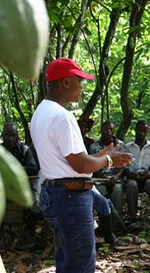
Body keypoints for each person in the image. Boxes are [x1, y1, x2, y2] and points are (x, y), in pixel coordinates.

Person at [30, 57, 132, 273]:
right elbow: (80, 165)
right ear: (66, 82)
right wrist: (110, 160)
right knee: (80, 263)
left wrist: (102, 155)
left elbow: (66, 159)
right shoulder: (61, 116)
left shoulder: (41, 112)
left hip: (55, 193)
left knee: (68, 259)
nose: (82, 86)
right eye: (79, 81)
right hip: (69, 198)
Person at [0, 122, 40, 249]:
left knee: (34, 206)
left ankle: (27, 238)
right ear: (2, 136)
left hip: (22, 188)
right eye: (7, 135)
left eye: (13, 135)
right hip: (2, 189)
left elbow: (33, 168)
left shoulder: (24, 149)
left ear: (18, 136)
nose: (11, 138)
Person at [124, 120, 150, 231]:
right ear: (135, 130)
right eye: (139, 130)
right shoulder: (127, 147)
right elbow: (124, 167)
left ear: (147, 132)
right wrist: (131, 175)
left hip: (148, 175)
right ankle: (133, 219)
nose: (141, 133)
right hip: (133, 175)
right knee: (131, 185)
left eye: (144, 131)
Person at [90, 121, 126, 219]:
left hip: (116, 178)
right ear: (101, 130)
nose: (108, 131)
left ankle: (118, 221)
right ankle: (104, 222)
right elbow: (92, 165)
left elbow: (124, 165)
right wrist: (104, 177)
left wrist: (115, 177)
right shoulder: (94, 146)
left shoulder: (120, 145)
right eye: (106, 129)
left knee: (117, 191)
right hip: (100, 178)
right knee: (100, 192)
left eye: (111, 129)